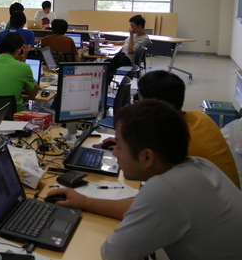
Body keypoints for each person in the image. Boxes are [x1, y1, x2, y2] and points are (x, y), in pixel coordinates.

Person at [50, 100, 242, 260]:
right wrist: (86, 202)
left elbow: (114, 258)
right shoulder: (199, 166)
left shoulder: (165, 190)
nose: (114, 152)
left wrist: (140, 232)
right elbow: (143, 206)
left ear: (147, 157)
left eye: (120, 147)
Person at [94, 70, 239, 188]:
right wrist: (128, 145)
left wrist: (86, 201)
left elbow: (147, 200)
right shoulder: (199, 117)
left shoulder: (177, 144)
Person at [0, 32, 39, 116]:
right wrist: (23, 62)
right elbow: (33, 94)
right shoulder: (23, 67)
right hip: (11, 118)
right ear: (20, 50)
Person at [107, 14, 150, 82]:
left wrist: (131, 35)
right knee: (107, 62)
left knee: (107, 65)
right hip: (122, 55)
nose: (131, 28)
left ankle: (105, 83)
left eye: (132, 26)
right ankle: (106, 82)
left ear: (139, 26)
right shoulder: (135, 34)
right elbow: (125, 42)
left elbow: (130, 51)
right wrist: (110, 42)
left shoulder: (145, 39)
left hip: (127, 59)